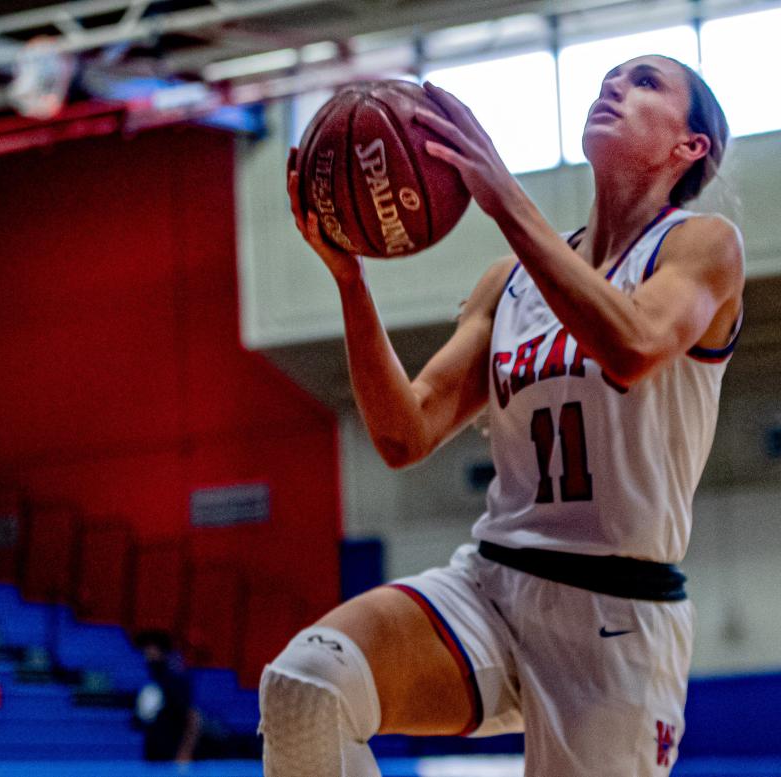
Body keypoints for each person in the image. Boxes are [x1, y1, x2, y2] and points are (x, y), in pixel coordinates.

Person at [259, 54, 744, 776]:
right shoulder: (510, 282)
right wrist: (349, 279)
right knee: (307, 686)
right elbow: (403, 432)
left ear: (690, 146)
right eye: (609, 78)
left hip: (616, 615)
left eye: (645, 82)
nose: (615, 86)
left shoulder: (701, 246)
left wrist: (503, 196)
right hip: (492, 584)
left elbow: (634, 345)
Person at [133, 629, 205, 763]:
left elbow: (193, 718)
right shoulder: (150, 683)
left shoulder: (175, 681)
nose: (146, 655)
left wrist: (184, 753)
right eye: (145, 650)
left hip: (173, 757)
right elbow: (140, 720)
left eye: (150, 649)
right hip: (154, 756)